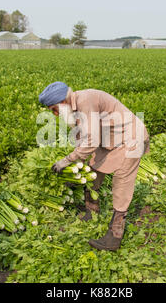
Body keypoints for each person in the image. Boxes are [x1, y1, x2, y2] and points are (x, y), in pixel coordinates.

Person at [38, 82, 150, 251]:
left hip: (131, 138)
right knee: (93, 170)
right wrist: (79, 164)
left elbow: (91, 140)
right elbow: (82, 137)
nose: (54, 114)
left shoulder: (86, 101)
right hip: (111, 140)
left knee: (121, 183)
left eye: (54, 109)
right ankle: (91, 211)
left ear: (63, 102)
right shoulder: (74, 109)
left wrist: (67, 160)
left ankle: (114, 237)